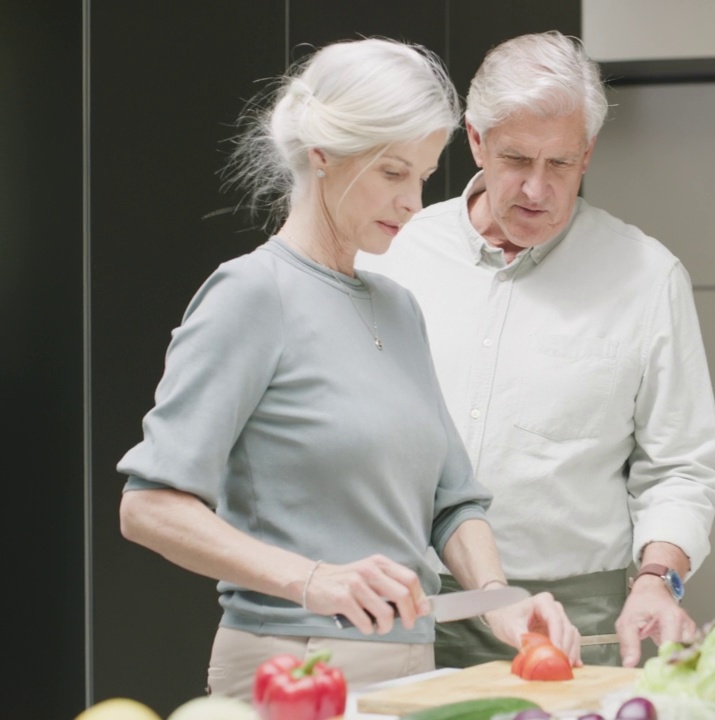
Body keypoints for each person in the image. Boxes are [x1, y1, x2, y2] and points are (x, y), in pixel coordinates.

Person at [116, 37, 580, 701]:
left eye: (422, 175)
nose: (415, 202)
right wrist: (315, 580)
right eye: (394, 173)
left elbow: (453, 501)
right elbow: (149, 507)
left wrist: (500, 599)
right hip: (293, 667)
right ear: (323, 155)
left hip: (413, 670)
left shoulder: (397, 308)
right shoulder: (251, 295)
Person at [356, 31, 715, 669]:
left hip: (571, 621)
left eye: (560, 164)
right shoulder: (394, 252)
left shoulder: (647, 276)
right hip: (397, 607)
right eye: (516, 159)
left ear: (588, 153)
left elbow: (682, 468)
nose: (536, 189)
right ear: (475, 140)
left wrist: (656, 578)